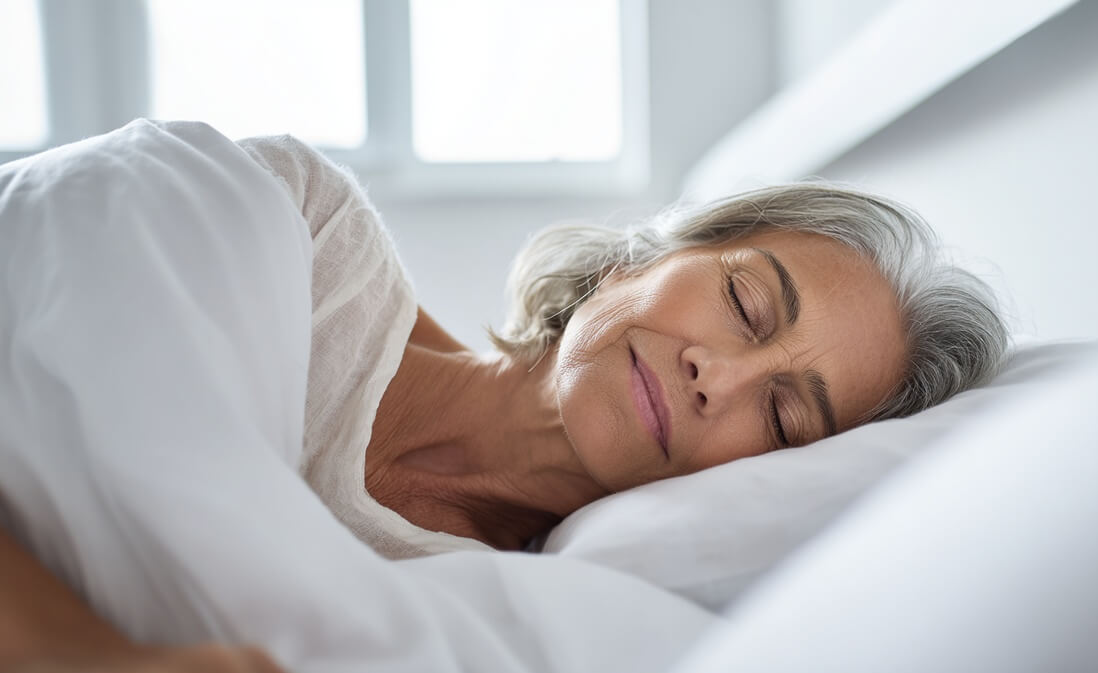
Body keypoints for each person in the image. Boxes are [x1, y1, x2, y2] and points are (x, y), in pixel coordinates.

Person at [0, 124, 1008, 669]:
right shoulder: (293, 231)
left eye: (785, 417)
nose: (723, 376)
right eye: (745, 301)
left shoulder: (525, 617)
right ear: (640, 258)